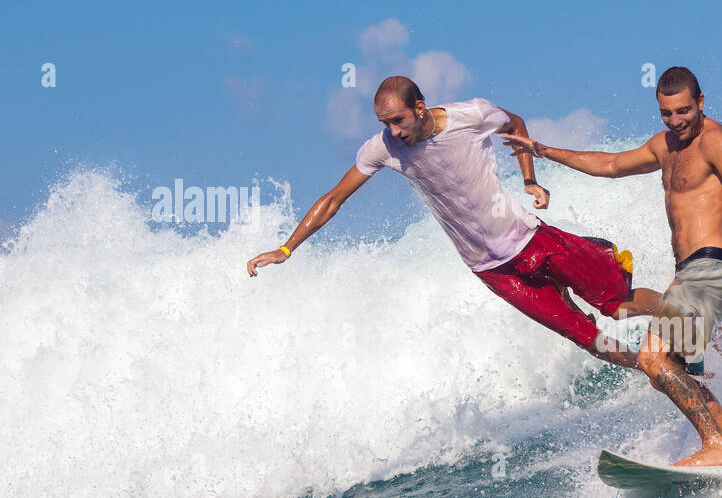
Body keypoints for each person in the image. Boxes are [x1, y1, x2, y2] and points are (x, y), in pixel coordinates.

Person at [246, 75, 661, 367]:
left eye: (397, 120)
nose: (392, 131)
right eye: (384, 124)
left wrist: (529, 178)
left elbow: (514, 124)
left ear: (419, 108)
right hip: (493, 270)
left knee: (616, 306)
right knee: (588, 339)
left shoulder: (471, 116)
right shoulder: (383, 148)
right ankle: (656, 371)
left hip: (529, 239)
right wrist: (286, 249)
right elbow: (334, 198)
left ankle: (689, 319)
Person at [502, 66, 722, 466]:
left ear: (701, 102)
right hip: (689, 275)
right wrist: (543, 150)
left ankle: (715, 447)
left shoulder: (716, 141)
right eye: (666, 113)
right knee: (673, 373)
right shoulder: (665, 146)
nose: (676, 121)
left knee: (652, 359)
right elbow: (610, 165)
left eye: (683, 111)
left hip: (710, 269)